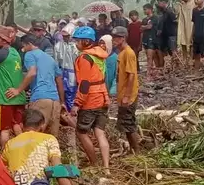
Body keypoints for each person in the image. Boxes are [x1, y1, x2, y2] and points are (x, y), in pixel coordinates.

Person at [8, 33, 65, 137]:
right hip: (55, 101)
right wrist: (62, 101)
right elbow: (59, 80)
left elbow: (32, 73)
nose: (23, 49)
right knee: (52, 138)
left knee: (33, 136)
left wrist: (18, 90)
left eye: (23, 46)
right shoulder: (50, 58)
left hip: (40, 98)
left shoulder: (30, 54)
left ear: (29, 44)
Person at [70, 27, 110, 170]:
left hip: (90, 100)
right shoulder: (100, 55)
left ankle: (95, 164)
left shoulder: (84, 58)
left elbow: (84, 83)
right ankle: (106, 167)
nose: (76, 44)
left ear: (86, 41)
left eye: (78, 41)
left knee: (82, 132)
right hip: (103, 98)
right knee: (100, 133)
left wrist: (77, 104)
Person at [111, 26, 140, 153]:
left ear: (123, 38)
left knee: (128, 124)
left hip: (128, 96)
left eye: (116, 38)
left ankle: (137, 152)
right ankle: (134, 150)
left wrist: (127, 96)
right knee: (126, 125)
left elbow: (132, 75)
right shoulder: (121, 53)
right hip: (123, 94)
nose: (113, 40)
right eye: (113, 38)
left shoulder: (128, 53)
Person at [52, 23, 79, 111]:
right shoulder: (58, 46)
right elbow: (56, 61)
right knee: (62, 92)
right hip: (62, 71)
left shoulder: (76, 46)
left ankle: (72, 114)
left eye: (67, 36)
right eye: (63, 36)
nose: (65, 37)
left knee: (72, 93)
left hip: (74, 72)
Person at [156, 0, 178, 67]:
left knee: (173, 51)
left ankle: (175, 66)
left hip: (171, 35)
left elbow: (175, 21)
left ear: (164, 2)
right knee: (166, 51)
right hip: (164, 35)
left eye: (159, 3)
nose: (159, 4)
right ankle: (169, 66)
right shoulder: (163, 13)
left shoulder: (170, 11)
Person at [176, 0, 195, 66]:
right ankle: (184, 58)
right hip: (183, 24)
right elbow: (176, 14)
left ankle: (191, 58)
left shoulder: (194, 3)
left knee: (191, 42)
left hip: (191, 24)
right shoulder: (182, 4)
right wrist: (180, 5)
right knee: (182, 40)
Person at [141, 4, 159, 79]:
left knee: (150, 56)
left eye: (145, 9)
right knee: (148, 56)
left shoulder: (155, 18)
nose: (144, 11)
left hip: (152, 39)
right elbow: (141, 29)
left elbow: (149, 26)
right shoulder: (144, 19)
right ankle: (151, 70)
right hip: (145, 39)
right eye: (144, 9)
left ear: (150, 9)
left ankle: (150, 72)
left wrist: (144, 27)